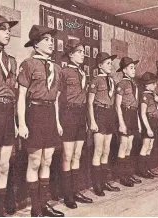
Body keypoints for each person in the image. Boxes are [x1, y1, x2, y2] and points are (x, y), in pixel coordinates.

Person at [17, 25, 64, 217]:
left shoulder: (57, 68)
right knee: (35, 161)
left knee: (48, 160)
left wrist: (58, 122)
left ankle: (44, 205)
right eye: (46, 40)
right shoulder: (28, 64)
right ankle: (35, 208)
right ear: (36, 45)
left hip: (50, 114)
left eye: (51, 40)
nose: (50, 42)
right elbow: (21, 96)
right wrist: (21, 123)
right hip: (34, 112)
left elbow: (56, 100)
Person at [56, 39, 93, 209]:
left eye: (83, 51)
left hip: (80, 115)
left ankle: (76, 190)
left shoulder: (83, 73)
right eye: (78, 51)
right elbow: (57, 98)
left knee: (77, 155)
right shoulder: (63, 72)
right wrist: (58, 121)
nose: (82, 54)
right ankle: (67, 194)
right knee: (68, 155)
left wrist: (86, 119)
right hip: (68, 114)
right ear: (70, 54)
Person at [0, 12, 19, 217]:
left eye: (9, 30)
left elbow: (14, 92)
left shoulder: (11, 61)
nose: (8, 34)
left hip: (8, 112)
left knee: (4, 165)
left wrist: (16, 121)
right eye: (3, 29)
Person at [88, 52, 120, 196]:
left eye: (111, 63)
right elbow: (89, 103)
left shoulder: (112, 80)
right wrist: (92, 121)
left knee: (106, 150)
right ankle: (97, 185)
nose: (111, 65)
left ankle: (105, 181)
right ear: (100, 66)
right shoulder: (95, 80)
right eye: (107, 63)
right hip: (99, 113)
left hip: (109, 114)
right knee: (98, 150)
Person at [115, 57, 142, 187]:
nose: (133, 70)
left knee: (130, 145)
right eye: (131, 68)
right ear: (124, 70)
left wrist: (137, 121)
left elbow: (136, 105)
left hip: (132, 114)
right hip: (124, 114)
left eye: (134, 67)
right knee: (123, 145)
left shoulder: (134, 84)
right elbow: (117, 105)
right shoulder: (121, 84)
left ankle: (128, 174)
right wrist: (121, 123)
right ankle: (122, 177)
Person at [138, 72, 158, 178]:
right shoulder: (144, 96)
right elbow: (142, 113)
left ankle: (147, 169)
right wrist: (148, 129)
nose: (155, 85)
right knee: (145, 145)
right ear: (148, 84)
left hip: (154, 121)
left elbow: (156, 110)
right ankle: (142, 170)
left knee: (150, 146)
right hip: (148, 121)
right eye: (154, 83)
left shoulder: (153, 95)